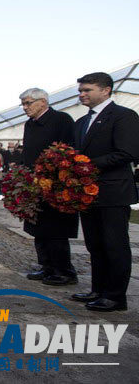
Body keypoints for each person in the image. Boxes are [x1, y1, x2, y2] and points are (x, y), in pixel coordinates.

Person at [71, 72, 139, 312]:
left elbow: (128, 152)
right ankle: (98, 289)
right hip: (88, 193)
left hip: (113, 192)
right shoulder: (81, 122)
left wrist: (87, 165)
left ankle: (115, 296)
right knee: (95, 244)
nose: (82, 94)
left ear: (106, 90)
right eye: (80, 90)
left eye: (87, 90)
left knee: (114, 244)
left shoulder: (123, 116)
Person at [19, 88, 78, 286]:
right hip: (34, 183)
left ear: (43, 101)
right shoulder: (29, 124)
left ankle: (64, 270)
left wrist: (52, 174)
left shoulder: (62, 120)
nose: (25, 108)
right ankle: (46, 266)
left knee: (56, 229)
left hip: (55, 183)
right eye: (24, 104)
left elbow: (68, 151)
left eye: (28, 103)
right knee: (39, 227)